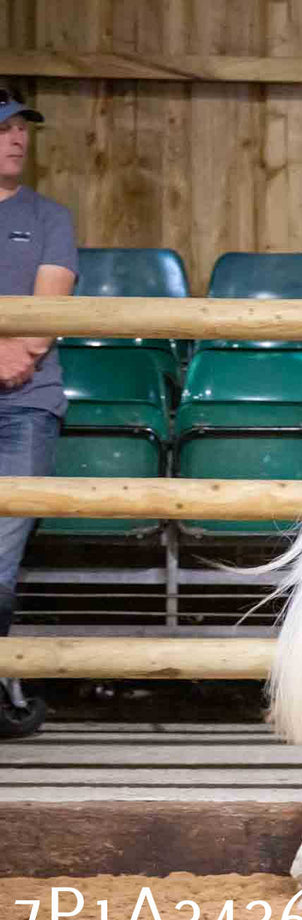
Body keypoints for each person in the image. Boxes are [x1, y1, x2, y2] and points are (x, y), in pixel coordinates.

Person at [0, 88, 77, 732]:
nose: (17, 138)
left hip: (26, 404)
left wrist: (15, 354)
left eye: (21, 127)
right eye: (4, 128)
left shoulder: (50, 216)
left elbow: (50, 304)